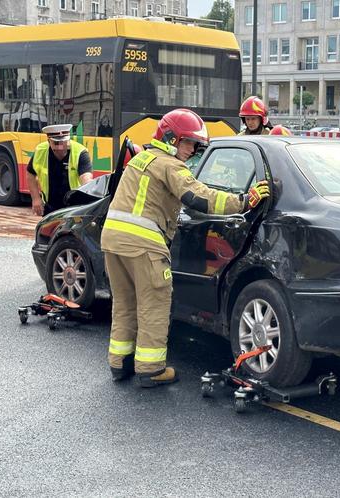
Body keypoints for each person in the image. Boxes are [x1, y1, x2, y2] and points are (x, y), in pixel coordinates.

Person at [101, 108, 270, 388]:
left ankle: (119, 363)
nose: (192, 150)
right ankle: (151, 369)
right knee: (154, 305)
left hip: (113, 241)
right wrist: (244, 201)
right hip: (144, 245)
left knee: (124, 304)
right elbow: (199, 197)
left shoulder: (142, 158)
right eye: (188, 143)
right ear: (170, 138)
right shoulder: (170, 165)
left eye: (195, 145)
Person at [26, 124, 93, 216]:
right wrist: (36, 198)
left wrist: (89, 190)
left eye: (64, 142)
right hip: (50, 206)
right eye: (56, 143)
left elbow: (86, 177)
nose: (60, 147)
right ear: (49, 141)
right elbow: (30, 173)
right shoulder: (40, 151)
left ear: (68, 140)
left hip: (74, 207)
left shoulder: (80, 152)